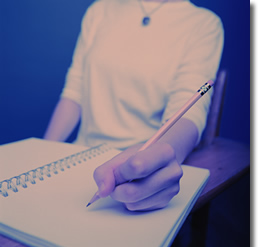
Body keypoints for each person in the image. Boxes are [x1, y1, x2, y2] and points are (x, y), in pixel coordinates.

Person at [44, 0, 224, 211]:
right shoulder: (99, 10)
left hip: (135, 172)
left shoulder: (203, 24)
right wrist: (44, 154)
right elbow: (74, 92)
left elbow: (188, 115)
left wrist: (159, 160)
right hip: (79, 158)